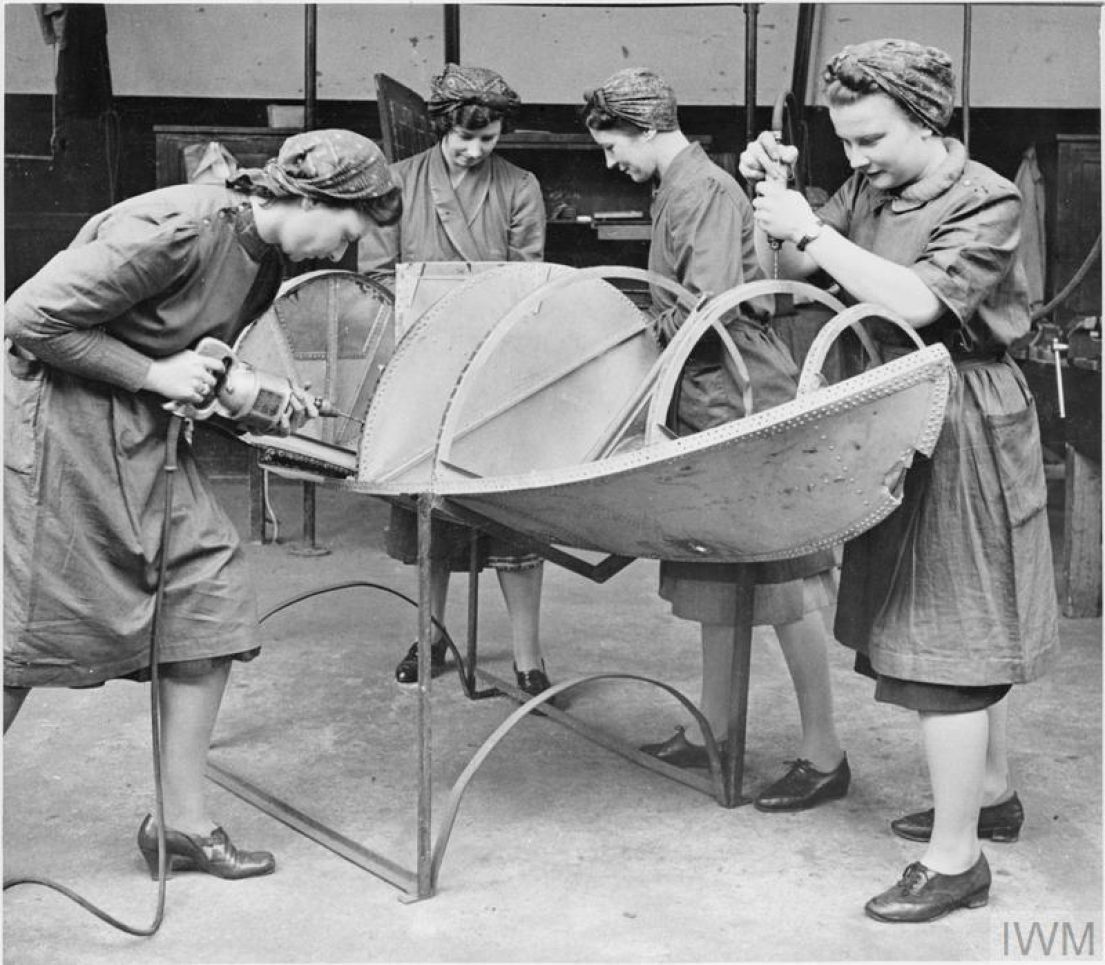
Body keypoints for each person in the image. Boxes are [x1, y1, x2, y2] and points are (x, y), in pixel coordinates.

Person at [4, 129, 402, 880]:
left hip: (145, 435)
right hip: (60, 431)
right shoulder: (181, 230)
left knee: (208, 602)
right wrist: (156, 374)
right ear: (310, 198)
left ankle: (179, 824)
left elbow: (193, 353)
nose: (344, 251)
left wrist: (250, 396)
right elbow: (27, 318)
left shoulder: (267, 259)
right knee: (25, 638)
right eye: (346, 232)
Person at [740, 38, 1060, 922]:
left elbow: (917, 302)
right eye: (842, 142)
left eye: (871, 139)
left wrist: (810, 226)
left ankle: (956, 860)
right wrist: (781, 202)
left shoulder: (985, 198)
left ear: (927, 119)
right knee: (935, 619)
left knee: (947, 635)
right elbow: (800, 271)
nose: (856, 158)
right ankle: (988, 793)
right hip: (893, 403)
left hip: (959, 413)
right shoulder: (865, 186)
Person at [581, 68, 849, 812]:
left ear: (646, 129)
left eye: (612, 148)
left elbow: (702, 309)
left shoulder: (699, 189)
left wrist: (629, 338)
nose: (612, 164)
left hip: (741, 394)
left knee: (779, 578)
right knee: (716, 573)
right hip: (708, 394)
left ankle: (824, 752)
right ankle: (715, 728)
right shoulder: (679, 186)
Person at [359, 64, 552, 699]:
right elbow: (376, 274)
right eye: (464, 139)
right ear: (442, 126)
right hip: (422, 361)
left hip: (498, 364)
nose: (475, 151)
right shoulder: (398, 182)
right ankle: (431, 630)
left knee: (512, 513)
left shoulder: (520, 187)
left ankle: (528, 652)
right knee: (428, 508)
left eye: (489, 140)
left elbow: (529, 281)